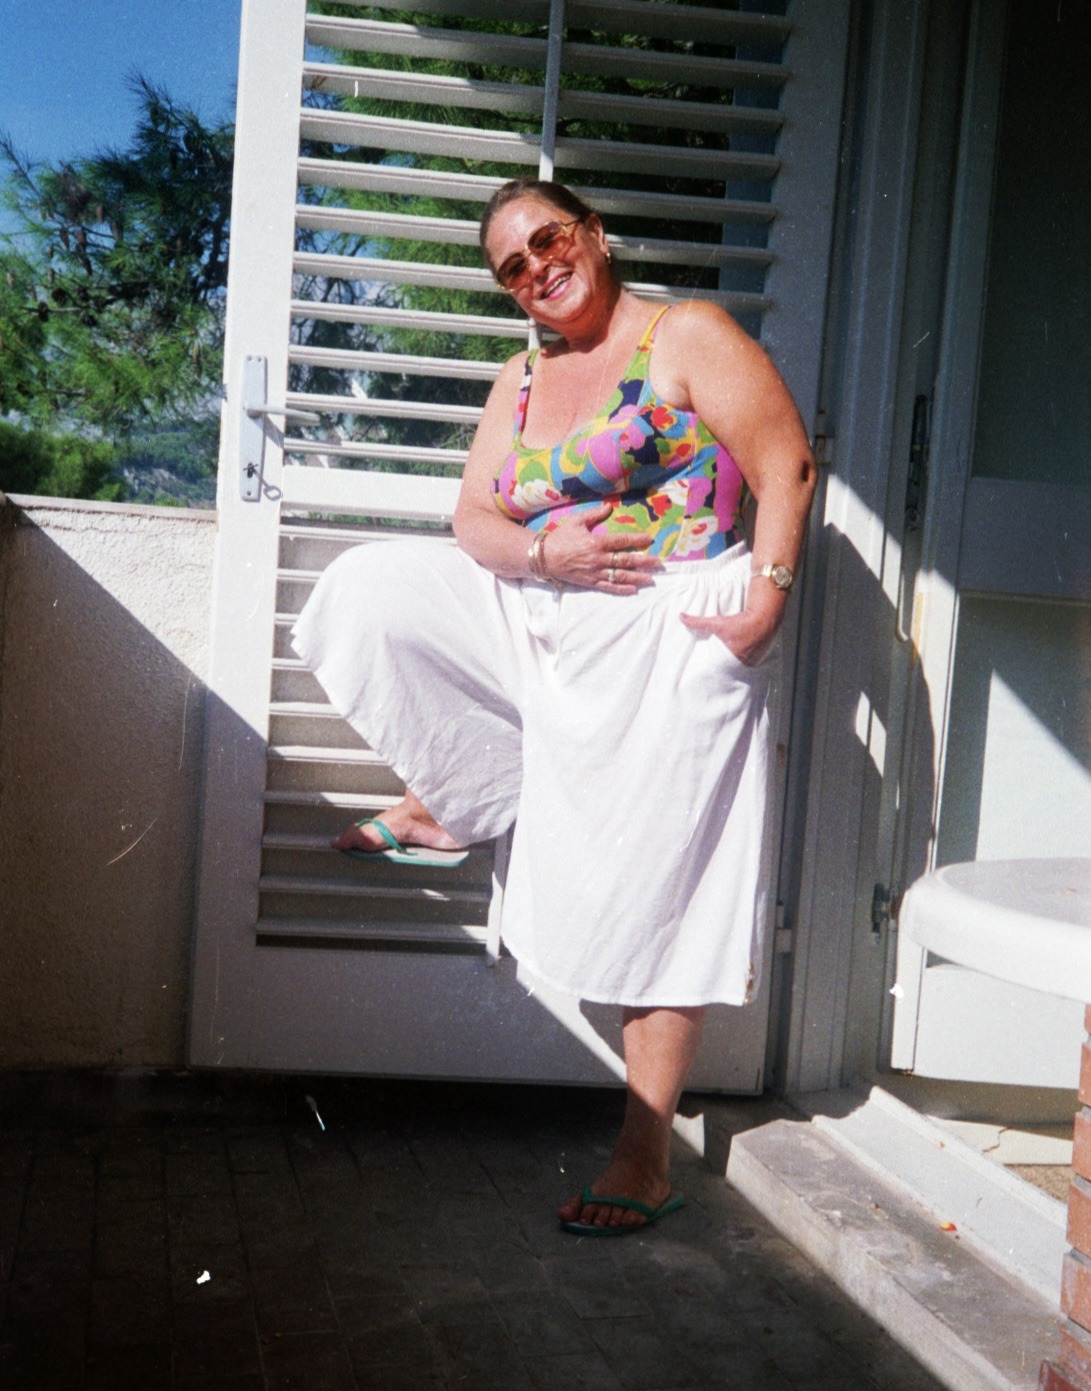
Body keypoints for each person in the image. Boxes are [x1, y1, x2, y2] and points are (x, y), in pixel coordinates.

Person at [291, 179, 817, 1235]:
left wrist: (767, 599)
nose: (537, 268)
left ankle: (642, 1152)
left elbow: (784, 463)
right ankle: (463, 795)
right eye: (513, 267)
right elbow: (471, 520)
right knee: (365, 593)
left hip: (669, 626)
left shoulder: (684, 333)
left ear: (594, 234)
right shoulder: (522, 374)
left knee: (663, 887)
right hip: (545, 607)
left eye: (548, 239)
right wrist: (545, 549)